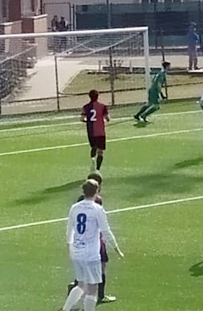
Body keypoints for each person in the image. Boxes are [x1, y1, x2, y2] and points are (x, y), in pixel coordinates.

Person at [60, 179, 123, 311]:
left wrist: (69, 248)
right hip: (91, 255)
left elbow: (69, 230)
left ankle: (66, 309)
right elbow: (106, 231)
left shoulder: (74, 207)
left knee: (81, 285)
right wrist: (117, 248)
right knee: (92, 288)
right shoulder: (97, 209)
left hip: (77, 252)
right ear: (97, 191)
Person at [81, 90, 109, 171]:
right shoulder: (103, 106)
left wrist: (88, 121)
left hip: (91, 131)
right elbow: (107, 118)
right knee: (100, 151)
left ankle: (92, 159)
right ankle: (98, 169)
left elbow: (82, 119)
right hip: (100, 131)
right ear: (98, 96)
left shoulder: (85, 107)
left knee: (94, 146)